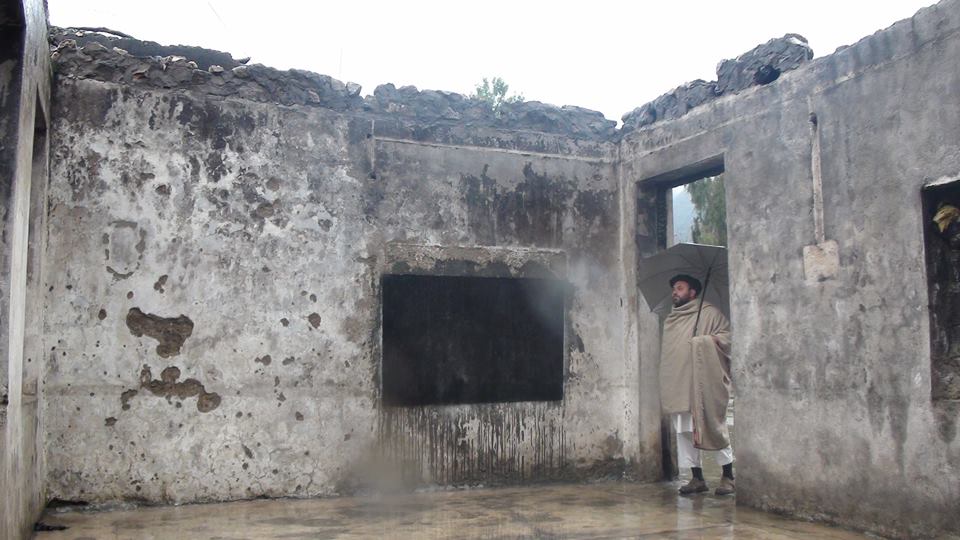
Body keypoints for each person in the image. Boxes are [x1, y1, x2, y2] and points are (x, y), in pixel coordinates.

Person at [659, 274, 735, 495]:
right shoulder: (671, 319)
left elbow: (728, 337)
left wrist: (705, 341)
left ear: (692, 292)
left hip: (703, 384)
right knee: (683, 431)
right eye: (674, 288)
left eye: (680, 288)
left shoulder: (710, 313)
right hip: (678, 383)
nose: (675, 292)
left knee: (711, 425)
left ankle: (728, 476)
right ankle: (697, 478)